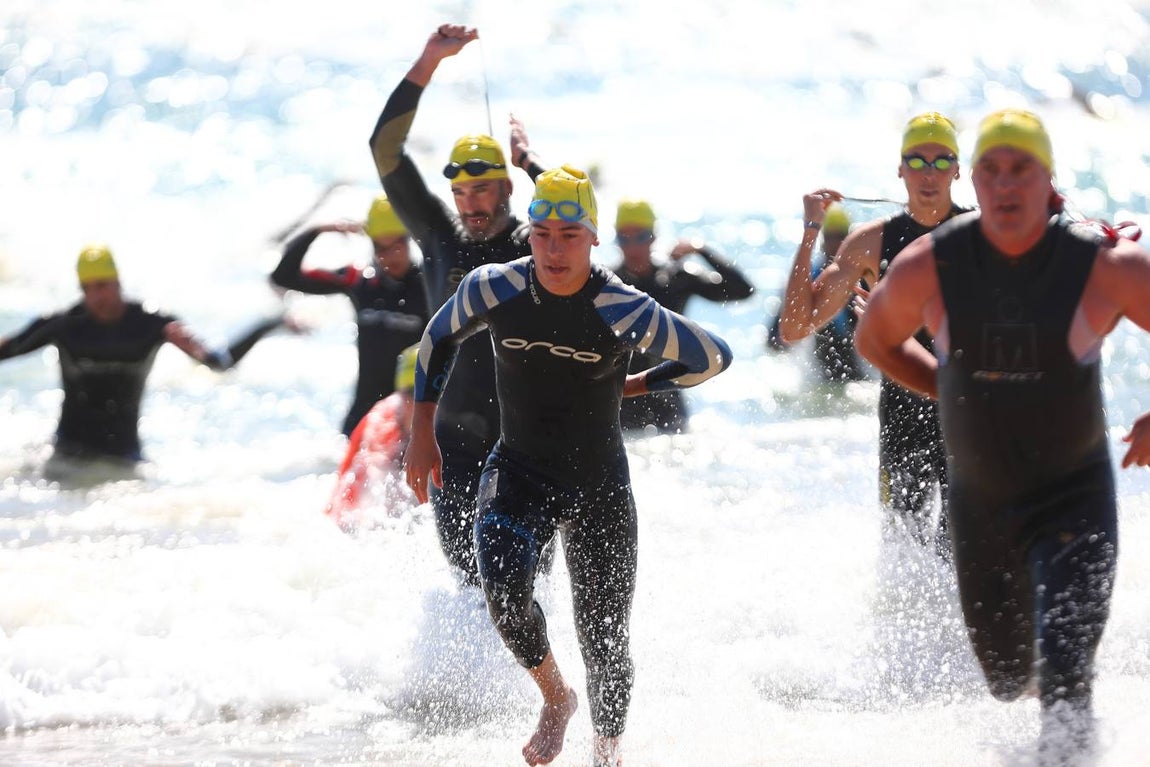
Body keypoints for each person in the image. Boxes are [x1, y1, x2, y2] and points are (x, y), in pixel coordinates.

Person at [403, 167, 732, 767]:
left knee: (605, 643)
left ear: (593, 236)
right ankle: (556, 698)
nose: (554, 249)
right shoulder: (493, 286)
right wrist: (422, 434)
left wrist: (633, 385)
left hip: (599, 484)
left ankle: (606, 756)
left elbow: (711, 356)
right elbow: (437, 337)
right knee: (502, 590)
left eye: (570, 235)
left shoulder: (620, 305)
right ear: (528, 233)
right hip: (520, 469)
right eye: (543, 233)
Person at [855, 108, 1150, 763]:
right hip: (983, 504)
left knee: (1067, 671)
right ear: (976, 181)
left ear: (1049, 182)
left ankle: (1069, 742)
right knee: (1007, 678)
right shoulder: (932, 264)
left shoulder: (1103, 263)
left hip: (1075, 496)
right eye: (992, 169)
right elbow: (873, 337)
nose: (1006, 184)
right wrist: (949, 388)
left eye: (1023, 169)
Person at [369, 24, 533, 586]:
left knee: (520, 583)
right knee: (470, 582)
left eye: (482, 189)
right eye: (461, 193)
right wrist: (428, 62)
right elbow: (384, 148)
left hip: (523, 443)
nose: (470, 203)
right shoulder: (441, 239)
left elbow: (583, 224)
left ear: (506, 188)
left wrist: (532, 162)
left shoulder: (536, 245)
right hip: (450, 443)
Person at [779, 112, 970, 557]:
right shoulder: (871, 243)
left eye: (942, 161)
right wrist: (810, 231)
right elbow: (794, 326)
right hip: (902, 416)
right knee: (902, 553)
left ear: (958, 170)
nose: (929, 173)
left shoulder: (981, 235)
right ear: (900, 169)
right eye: (917, 161)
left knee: (966, 549)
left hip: (969, 413)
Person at [0, 244, 284, 466]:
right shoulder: (64, 325)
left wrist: (197, 349)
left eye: (102, 285)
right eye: (87, 288)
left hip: (125, 455)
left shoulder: (152, 324)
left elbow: (221, 364)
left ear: (117, 281)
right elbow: (7, 350)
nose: (96, 296)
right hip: (68, 453)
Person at [271, 194, 429, 436]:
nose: (390, 256)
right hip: (364, 413)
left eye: (396, 245)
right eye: (381, 248)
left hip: (412, 415)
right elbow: (283, 276)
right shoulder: (360, 280)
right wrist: (319, 229)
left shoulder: (428, 286)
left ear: (409, 240)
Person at [766, 204, 868, 382]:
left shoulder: (863, 278)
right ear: (823, 239)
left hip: (856, 375)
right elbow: (775, 339)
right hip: (821, 373)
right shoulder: (807, 279)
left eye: (841, 237)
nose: (836, 243)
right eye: (831, 237)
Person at [324, 344, 419, 529]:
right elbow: (386, 496)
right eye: (413, 394)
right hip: (348, 507)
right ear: (400, 395)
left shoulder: (448, 420)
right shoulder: (384, 424)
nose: (423, 406)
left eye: (437, 396)